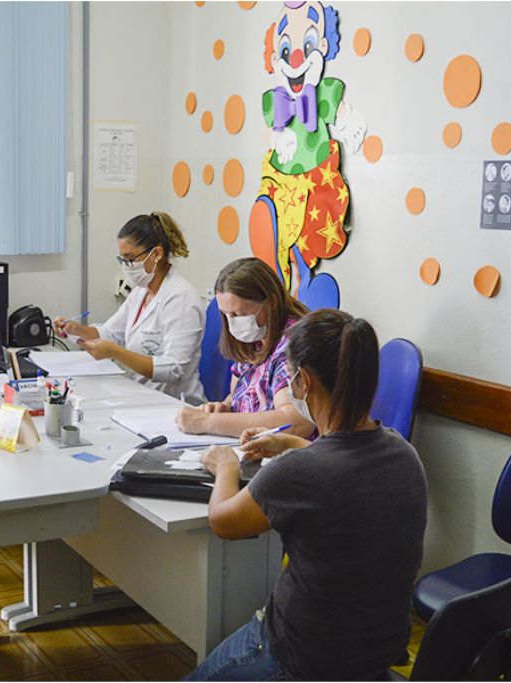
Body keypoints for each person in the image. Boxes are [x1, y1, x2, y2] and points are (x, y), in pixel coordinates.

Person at [187, 309, 428, 681]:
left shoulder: (300, 473)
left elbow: (223, 521)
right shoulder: (403, 453)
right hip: (374, 657)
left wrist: (225, 467)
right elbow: (344, 466)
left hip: (301, 656)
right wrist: (293, 443)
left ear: (303, 381)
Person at [53, 212, 206, 403]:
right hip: (141, 396)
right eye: (122, 259)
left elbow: (172, 369)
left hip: (173, 404)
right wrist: (76, 329)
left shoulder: (181, 298)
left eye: (130, 258)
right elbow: (110, 333)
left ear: (156, 254)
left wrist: (115, 352)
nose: (126, 266)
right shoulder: (141, 292)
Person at [176, 257, 313, 437]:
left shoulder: (292, 344)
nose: (232, 322)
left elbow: (295, 422)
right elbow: (238, 395)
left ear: (270, 302)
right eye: (226, 315)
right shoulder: (255, 339)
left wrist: (209, 422)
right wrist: (225, 408)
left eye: (238, 314)